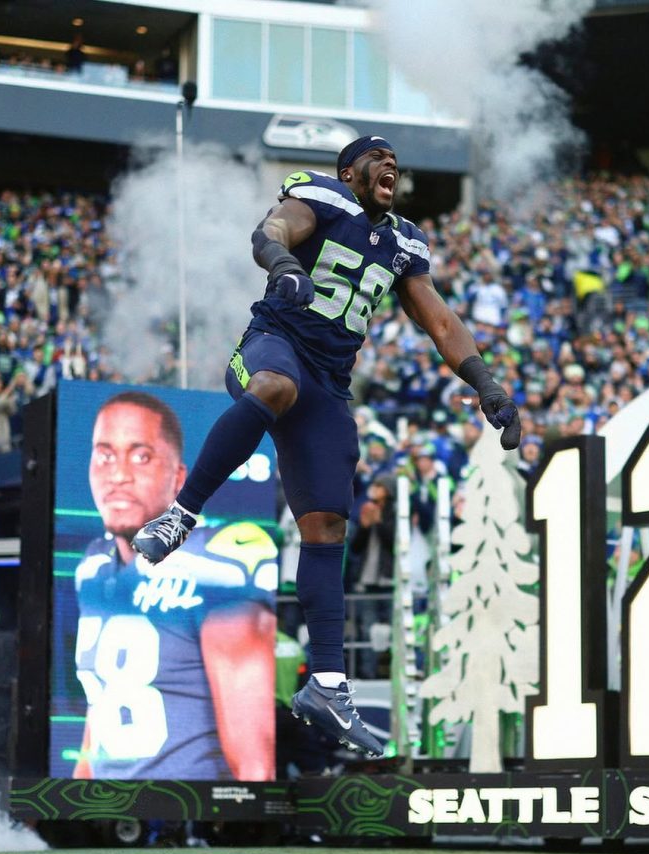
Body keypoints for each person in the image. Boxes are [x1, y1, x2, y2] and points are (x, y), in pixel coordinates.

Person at [132, 135, 520, 758]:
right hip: (273, 347)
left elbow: (440, 322)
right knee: (273, 386)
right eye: (378, 157)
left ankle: (328, 686)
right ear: (348, 170)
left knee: (326, 528)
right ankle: (181, 514)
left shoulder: (403, 241)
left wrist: (488, 385)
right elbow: (273, 229)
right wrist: (283, 265)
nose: (391, 165)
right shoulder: (324, 196)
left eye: (397, 160)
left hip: (331, 389)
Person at [73, 390, 278, 781]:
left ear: (178, 478)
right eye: (104, 455)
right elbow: (98, 715)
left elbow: (254, 763)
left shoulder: (218, 564)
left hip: (189, 815)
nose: (118, 475)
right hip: (109, 815)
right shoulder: (93, 566)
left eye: (141, 456)